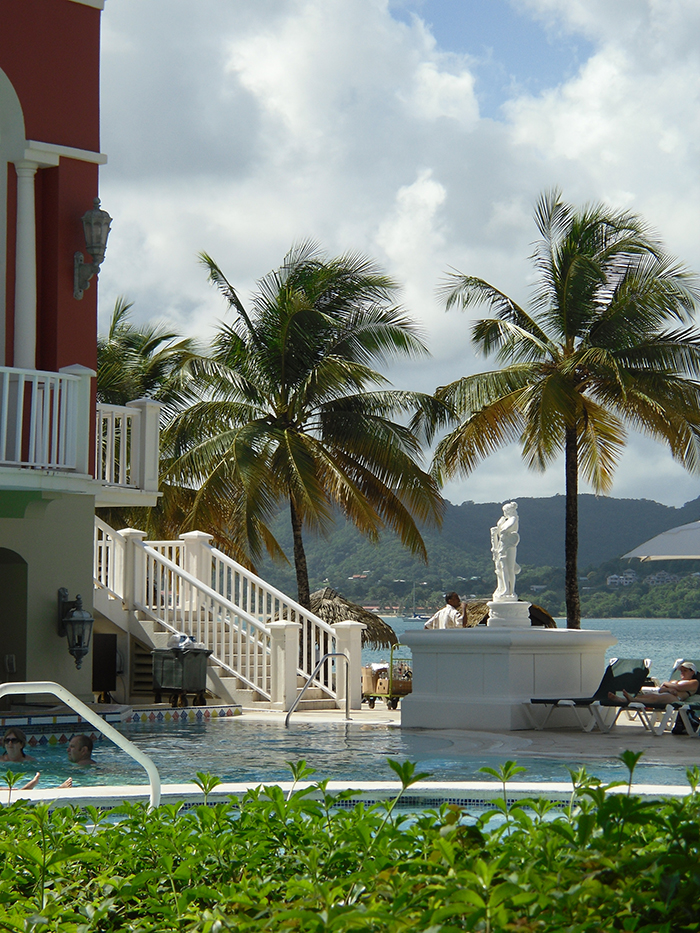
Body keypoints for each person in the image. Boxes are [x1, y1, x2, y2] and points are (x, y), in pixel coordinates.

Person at [608, 660, 699, 706]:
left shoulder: (694, 682)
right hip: (667, 694)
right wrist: (669, 689)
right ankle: (623, 700)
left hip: (676, 698)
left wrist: (667, 685)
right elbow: (661, 689)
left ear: (692, 672)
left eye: (685, 670)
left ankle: (631, 700)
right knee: (644, 696)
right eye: (681, 670)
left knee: (654, 698)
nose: (682, 672)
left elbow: (678, 688)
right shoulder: (675, 681)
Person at [491, 501, 521, 599]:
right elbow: (500, 532)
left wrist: (500, 526)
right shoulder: (505, 520)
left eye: (505, 511)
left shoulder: (513, 519)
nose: (504, 513)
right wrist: (499, 525)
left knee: (510, 568)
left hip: (510, 545)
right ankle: (505, 589)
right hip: (502, 545)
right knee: (503, 567)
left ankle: (510, 590)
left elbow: (505, 529)